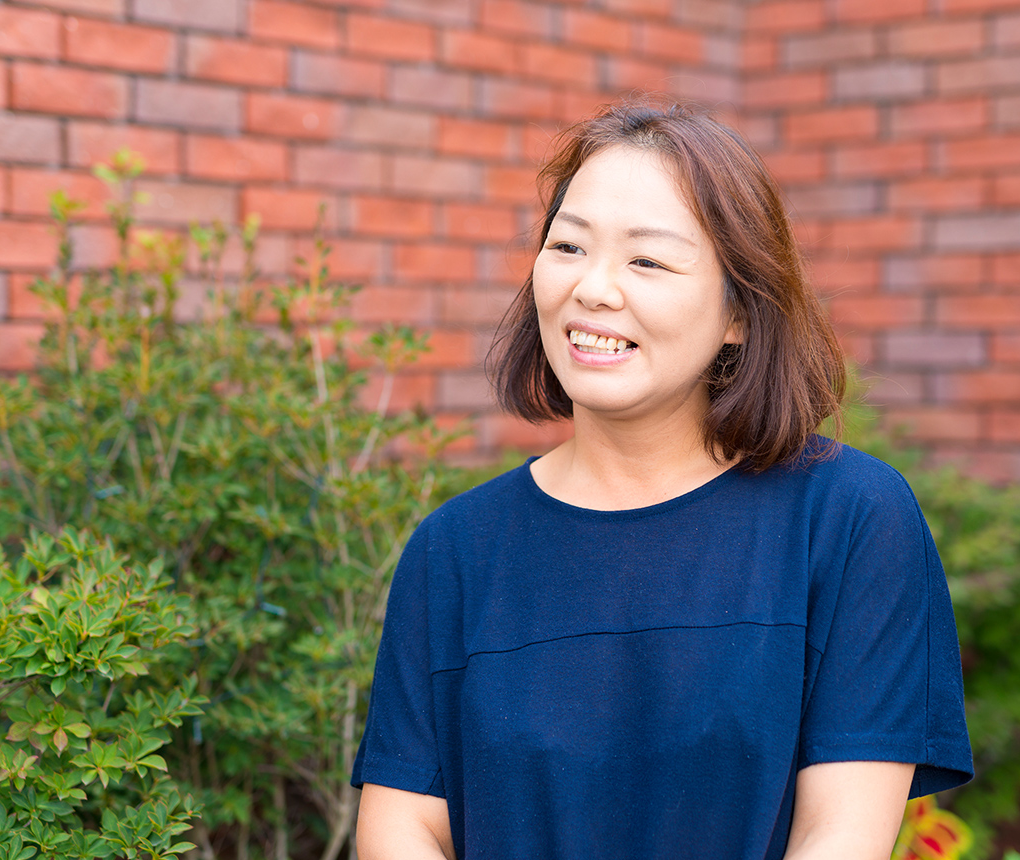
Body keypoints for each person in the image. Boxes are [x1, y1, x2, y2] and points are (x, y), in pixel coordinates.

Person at [353, 98, 974, 860]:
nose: (594, 288)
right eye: (568, 246)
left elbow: (839, 834)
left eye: (646, 260)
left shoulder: (850, 521)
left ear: (740, 312)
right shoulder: (454, 551)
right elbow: (403, 827)